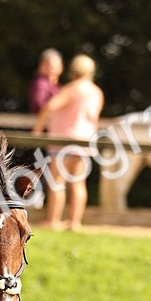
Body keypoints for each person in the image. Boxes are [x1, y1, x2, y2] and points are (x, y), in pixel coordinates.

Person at [35, 54, 104, 231]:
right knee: (78, 183)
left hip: (63, 141)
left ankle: (53, 220)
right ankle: (75, 222)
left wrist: (38, 129)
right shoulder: (97, 92)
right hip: (85, 141)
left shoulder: (71, 89)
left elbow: (49, 107)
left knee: (57, 181)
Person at [28, 48, 63, 114]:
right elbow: (39, 106)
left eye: (55, 65)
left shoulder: (56, 85)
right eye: (48, 65)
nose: (52, 68)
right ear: (41, 66)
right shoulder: (40, 83)